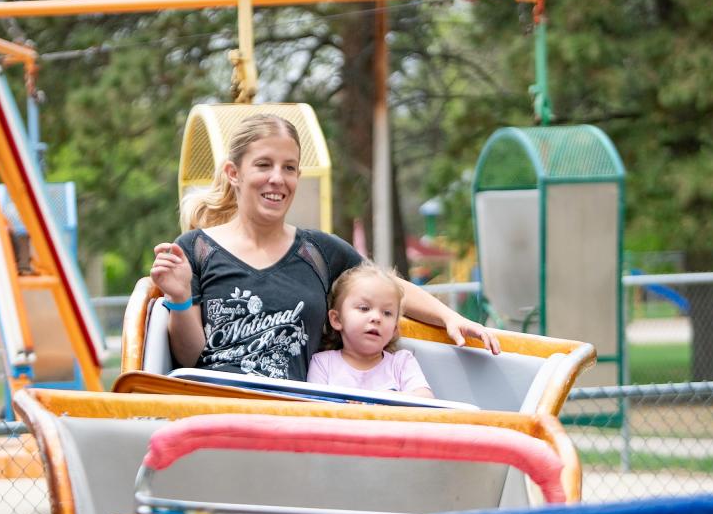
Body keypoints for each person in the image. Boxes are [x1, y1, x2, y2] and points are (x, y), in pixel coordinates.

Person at [150, 113, 499, 380]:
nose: (277, 178)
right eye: (263, 165)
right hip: (215, 415)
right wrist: (180, 299)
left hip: (292, 423)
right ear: (233, 173)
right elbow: (190, 358)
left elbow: (390, 290)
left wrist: (450, 317)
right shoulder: (195, 249)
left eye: (289, 168)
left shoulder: (319, 252)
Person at [307, 262, 433, 398]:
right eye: (364, 308)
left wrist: (391, 398)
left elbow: (426, 398)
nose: (376, 318)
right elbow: (315, 408)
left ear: (394, 329)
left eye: (387, 313)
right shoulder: (323, 363)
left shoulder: (401, 363)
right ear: (337, 319)